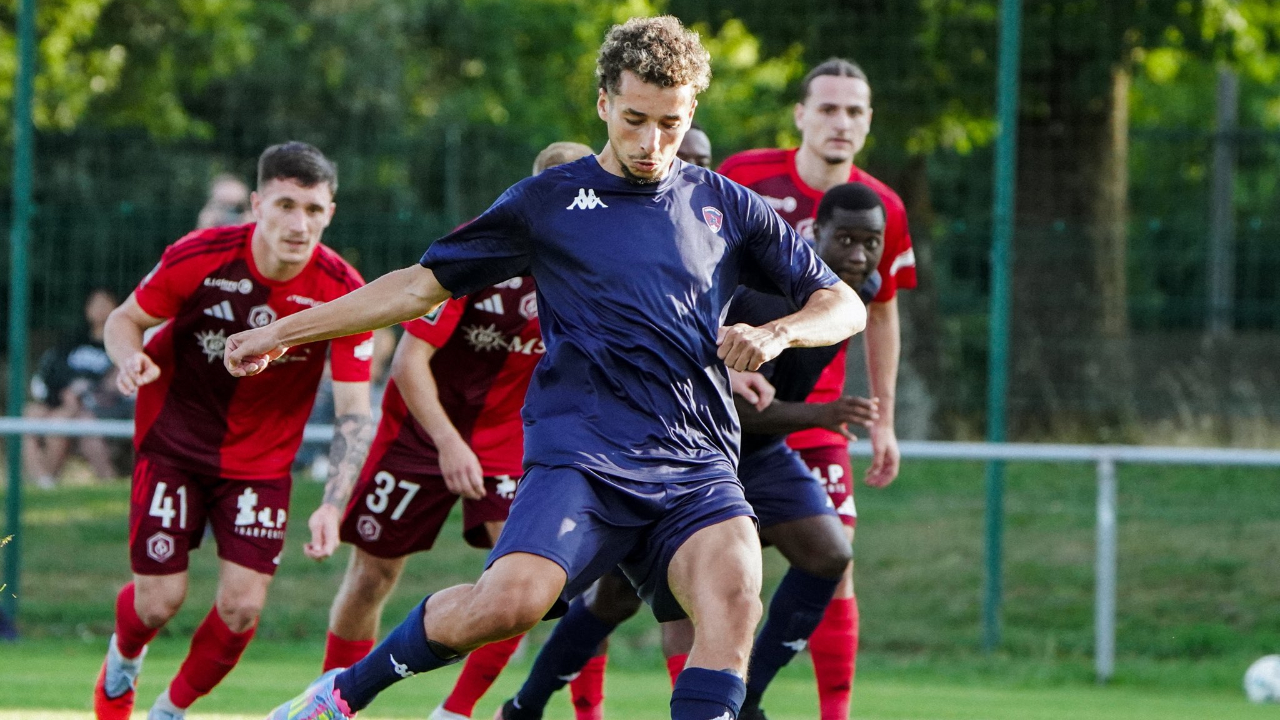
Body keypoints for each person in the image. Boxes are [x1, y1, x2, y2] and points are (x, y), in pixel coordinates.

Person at [227, 16, 865, 720]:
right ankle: (344, 692)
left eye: (671, 123)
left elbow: (842, 303)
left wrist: (779, 333)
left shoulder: (727, 205)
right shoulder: (548, 203)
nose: (652, 143)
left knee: (736, 600)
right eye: (634, 120)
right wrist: (282, 331)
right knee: (508, 606)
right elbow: (414, 288)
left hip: (696, 463)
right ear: (603, 103)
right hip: (583, 458)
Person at [493, 182, 887, 720]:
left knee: (829, 555)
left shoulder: (859, 291)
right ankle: (524, 706)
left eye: (871, 243)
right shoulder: (765, 299)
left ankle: (747, 700)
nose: (858, 255)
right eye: (845, 240)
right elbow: (739, 408)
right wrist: (821, 415)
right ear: (814, 234)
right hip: (690, 453)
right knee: (614, 599)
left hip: (761, 455)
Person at [93, 142, 377, 720]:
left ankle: (168, 712)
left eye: (313, 210)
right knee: (158, 603)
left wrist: (332, 505)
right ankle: (123, 659)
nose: (299, 225)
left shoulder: (344, 291)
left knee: (243, 608)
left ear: (330, 213)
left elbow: (354, 412)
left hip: (262, 466)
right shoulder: (200, 255)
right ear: (256, 204)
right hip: (173, 447)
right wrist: (128, 357)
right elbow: (125, 319)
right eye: (286, 205)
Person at [318, 141, 597, 720]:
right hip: (418, 434)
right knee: (372, 575)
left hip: (509, 442)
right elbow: (408, 362)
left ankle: (455, 711)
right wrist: (449, 443)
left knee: (528, 584)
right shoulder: (481, 247)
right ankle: (330, 700)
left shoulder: (598, 267)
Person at [717, 57, 917, 720]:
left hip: (816, 415)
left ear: (869, 121)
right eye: (828, 108)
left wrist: (883, 420)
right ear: (801, 115)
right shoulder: (745, 176)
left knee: (837, 561)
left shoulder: (882, 205)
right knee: (700, 572)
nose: (841, 122)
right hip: (730, 408)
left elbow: (881, 313)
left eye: (854, 111)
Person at [22, 288, 128, 487]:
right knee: (29, 415)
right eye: (95, 304)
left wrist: (81, 391)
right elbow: (53, 370)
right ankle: (40, 480)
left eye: (105, 304)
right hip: (61, 400)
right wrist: (67, 391)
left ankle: (47, 483)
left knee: (61, 421)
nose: (99, 309)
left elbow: (112, 382)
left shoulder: (120, 343)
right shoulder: (74, 339)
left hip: (96, 405)